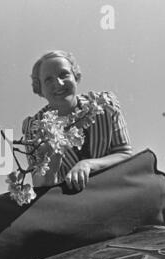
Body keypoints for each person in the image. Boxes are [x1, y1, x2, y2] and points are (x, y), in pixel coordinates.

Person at [22, 50, 133, 191]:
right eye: (48, 80)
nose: (58, 83)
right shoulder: (35, 128)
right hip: (71, 202)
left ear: (76, 76)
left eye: (64, 74)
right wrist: (52, 164)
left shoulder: (104, 104)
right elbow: (40, 185)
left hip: (114, 190)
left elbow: (125, 154)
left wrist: (88, 165)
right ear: (40, 89)